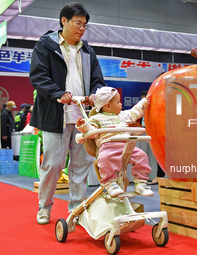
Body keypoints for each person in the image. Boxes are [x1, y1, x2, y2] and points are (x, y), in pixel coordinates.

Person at [29, 2, 106, 225]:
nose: (82, 28)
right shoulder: (46, 45)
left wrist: (94, 94)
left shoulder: (88, 51)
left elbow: (98, 81)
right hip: (55, 114)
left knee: (81, 165)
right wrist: (57, 93)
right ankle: (44, 206)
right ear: (64, 21)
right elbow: (38, 76)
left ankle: (76, 209)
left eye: (85, 25)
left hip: (82, 116)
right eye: (77, 23)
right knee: (53, 164)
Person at [76, 87, 154, 197]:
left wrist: (144, 102)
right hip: (108, 146)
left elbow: (135, 112)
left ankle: (140, 182)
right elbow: (91, 131)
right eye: (118, 102)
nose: (121, 104)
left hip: (126, 145)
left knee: (141, 156)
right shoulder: (96, 119)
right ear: (108, 105)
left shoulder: (123, 115)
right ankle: (110, 183)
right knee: (104, 158)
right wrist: (83, 126)